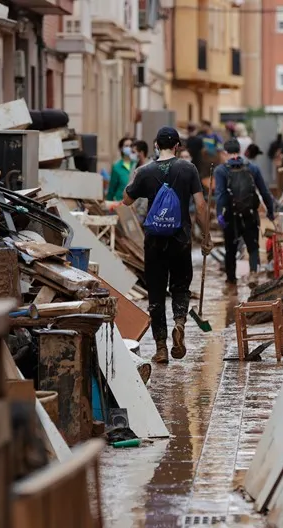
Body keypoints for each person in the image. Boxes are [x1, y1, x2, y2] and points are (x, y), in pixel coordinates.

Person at [123, 127, 211, 364]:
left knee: (156, 294)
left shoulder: (145, 171)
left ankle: (161, 348)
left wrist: (136, 178)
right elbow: (201, 206)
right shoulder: (188, 169)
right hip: (181, 240)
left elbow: (126, 199)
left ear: (155, 145)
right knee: (181, 286)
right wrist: (206, 235)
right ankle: (180, 324)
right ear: (177, 146)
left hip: (154, 242)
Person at [214, 139, 276, 288]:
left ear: (225, 153)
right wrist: (270, 211)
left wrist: (219, 215)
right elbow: (264, 192)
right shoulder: (252, 168)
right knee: (253, 248)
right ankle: (253, 273)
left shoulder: (221, 170)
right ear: (240, 152)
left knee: (231, 249)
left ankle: (231, 282)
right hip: (250, 215)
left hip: (231, 216)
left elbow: (220, 195)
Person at [106, 137, 136, 202]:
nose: (129, 148)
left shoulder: (136, 165)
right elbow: (112, 188)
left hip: (133, 203)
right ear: (121, 148)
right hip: (119, 201)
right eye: (126, 146)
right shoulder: (116, 167)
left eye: (131, 146)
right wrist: (108, 202)